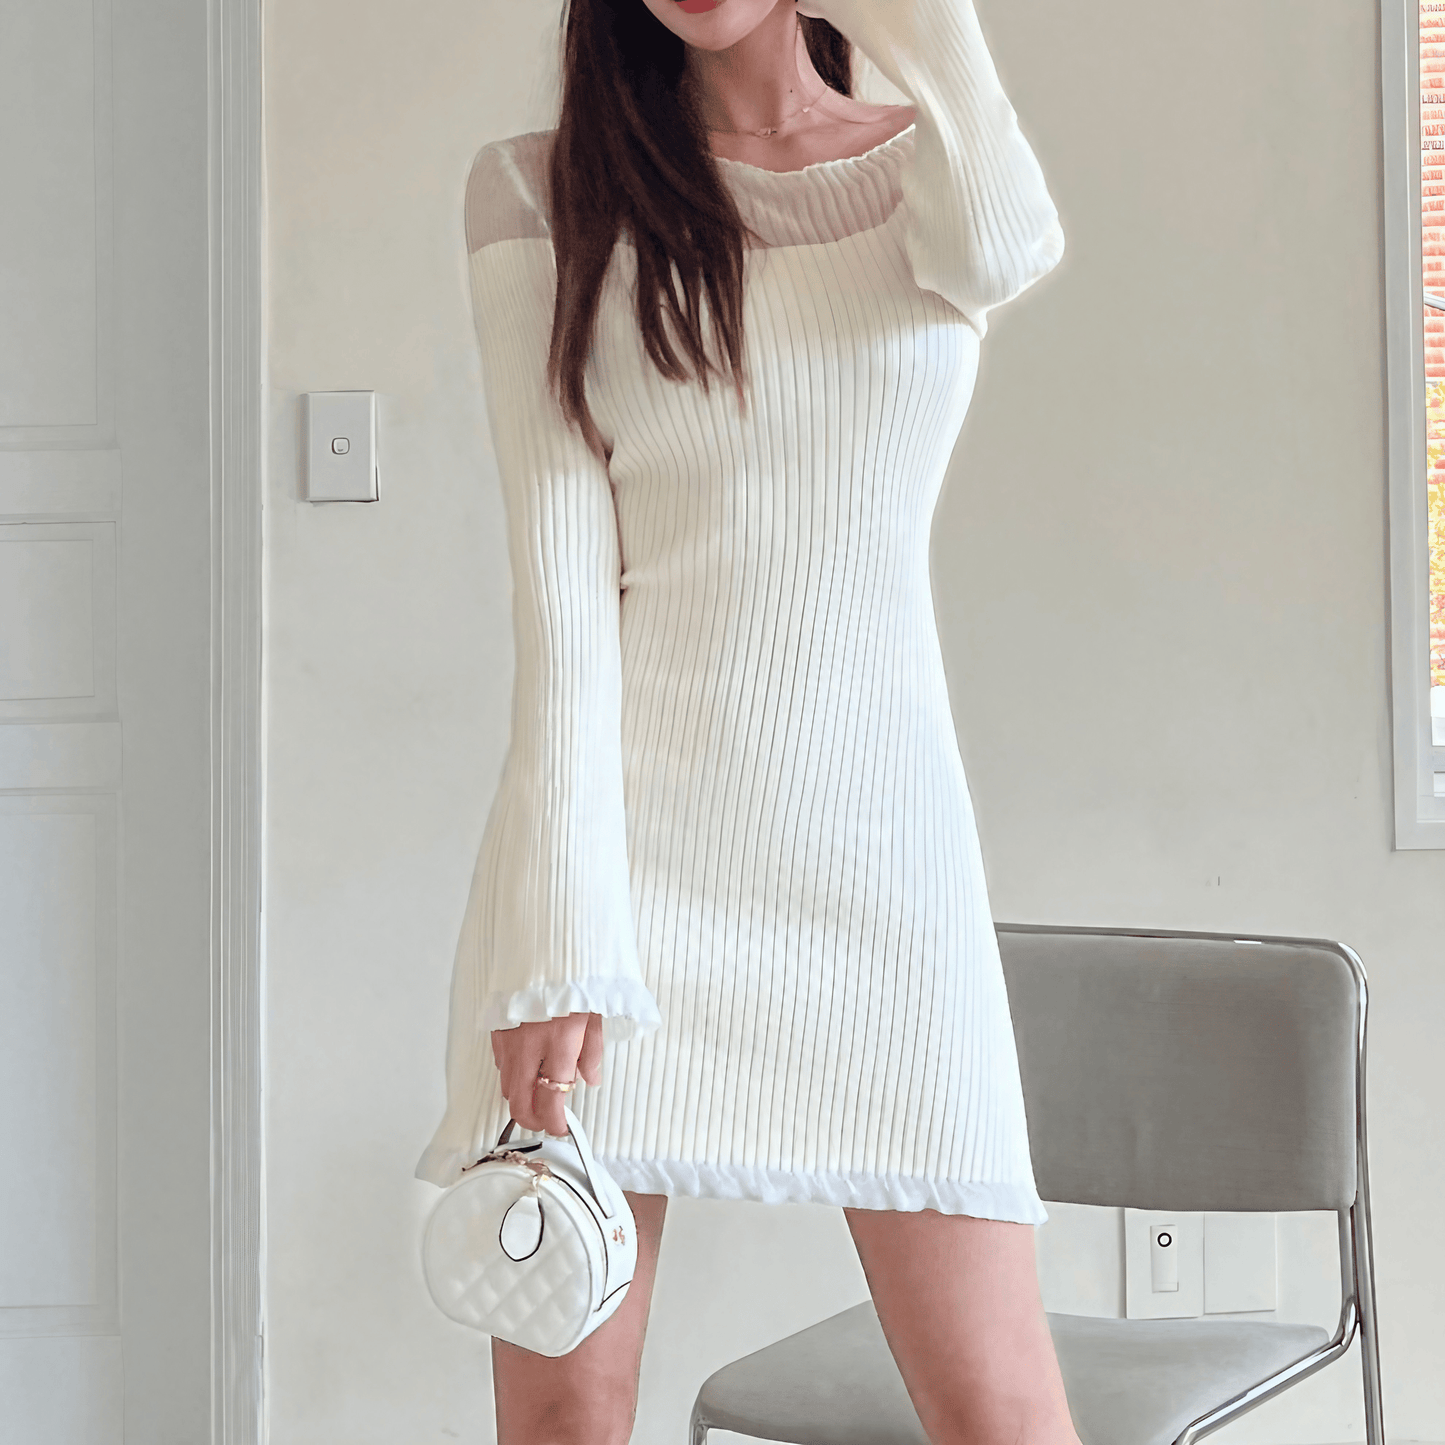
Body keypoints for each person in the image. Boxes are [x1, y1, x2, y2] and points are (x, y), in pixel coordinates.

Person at [416, 0, 1078, 1441]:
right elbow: (562, 602)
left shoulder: (936, 170)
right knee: (565, 1415)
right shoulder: (539, 192)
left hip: (884, 866)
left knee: (1003, 1414)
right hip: (621, 874)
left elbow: (1007, 251)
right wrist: (554, 940)